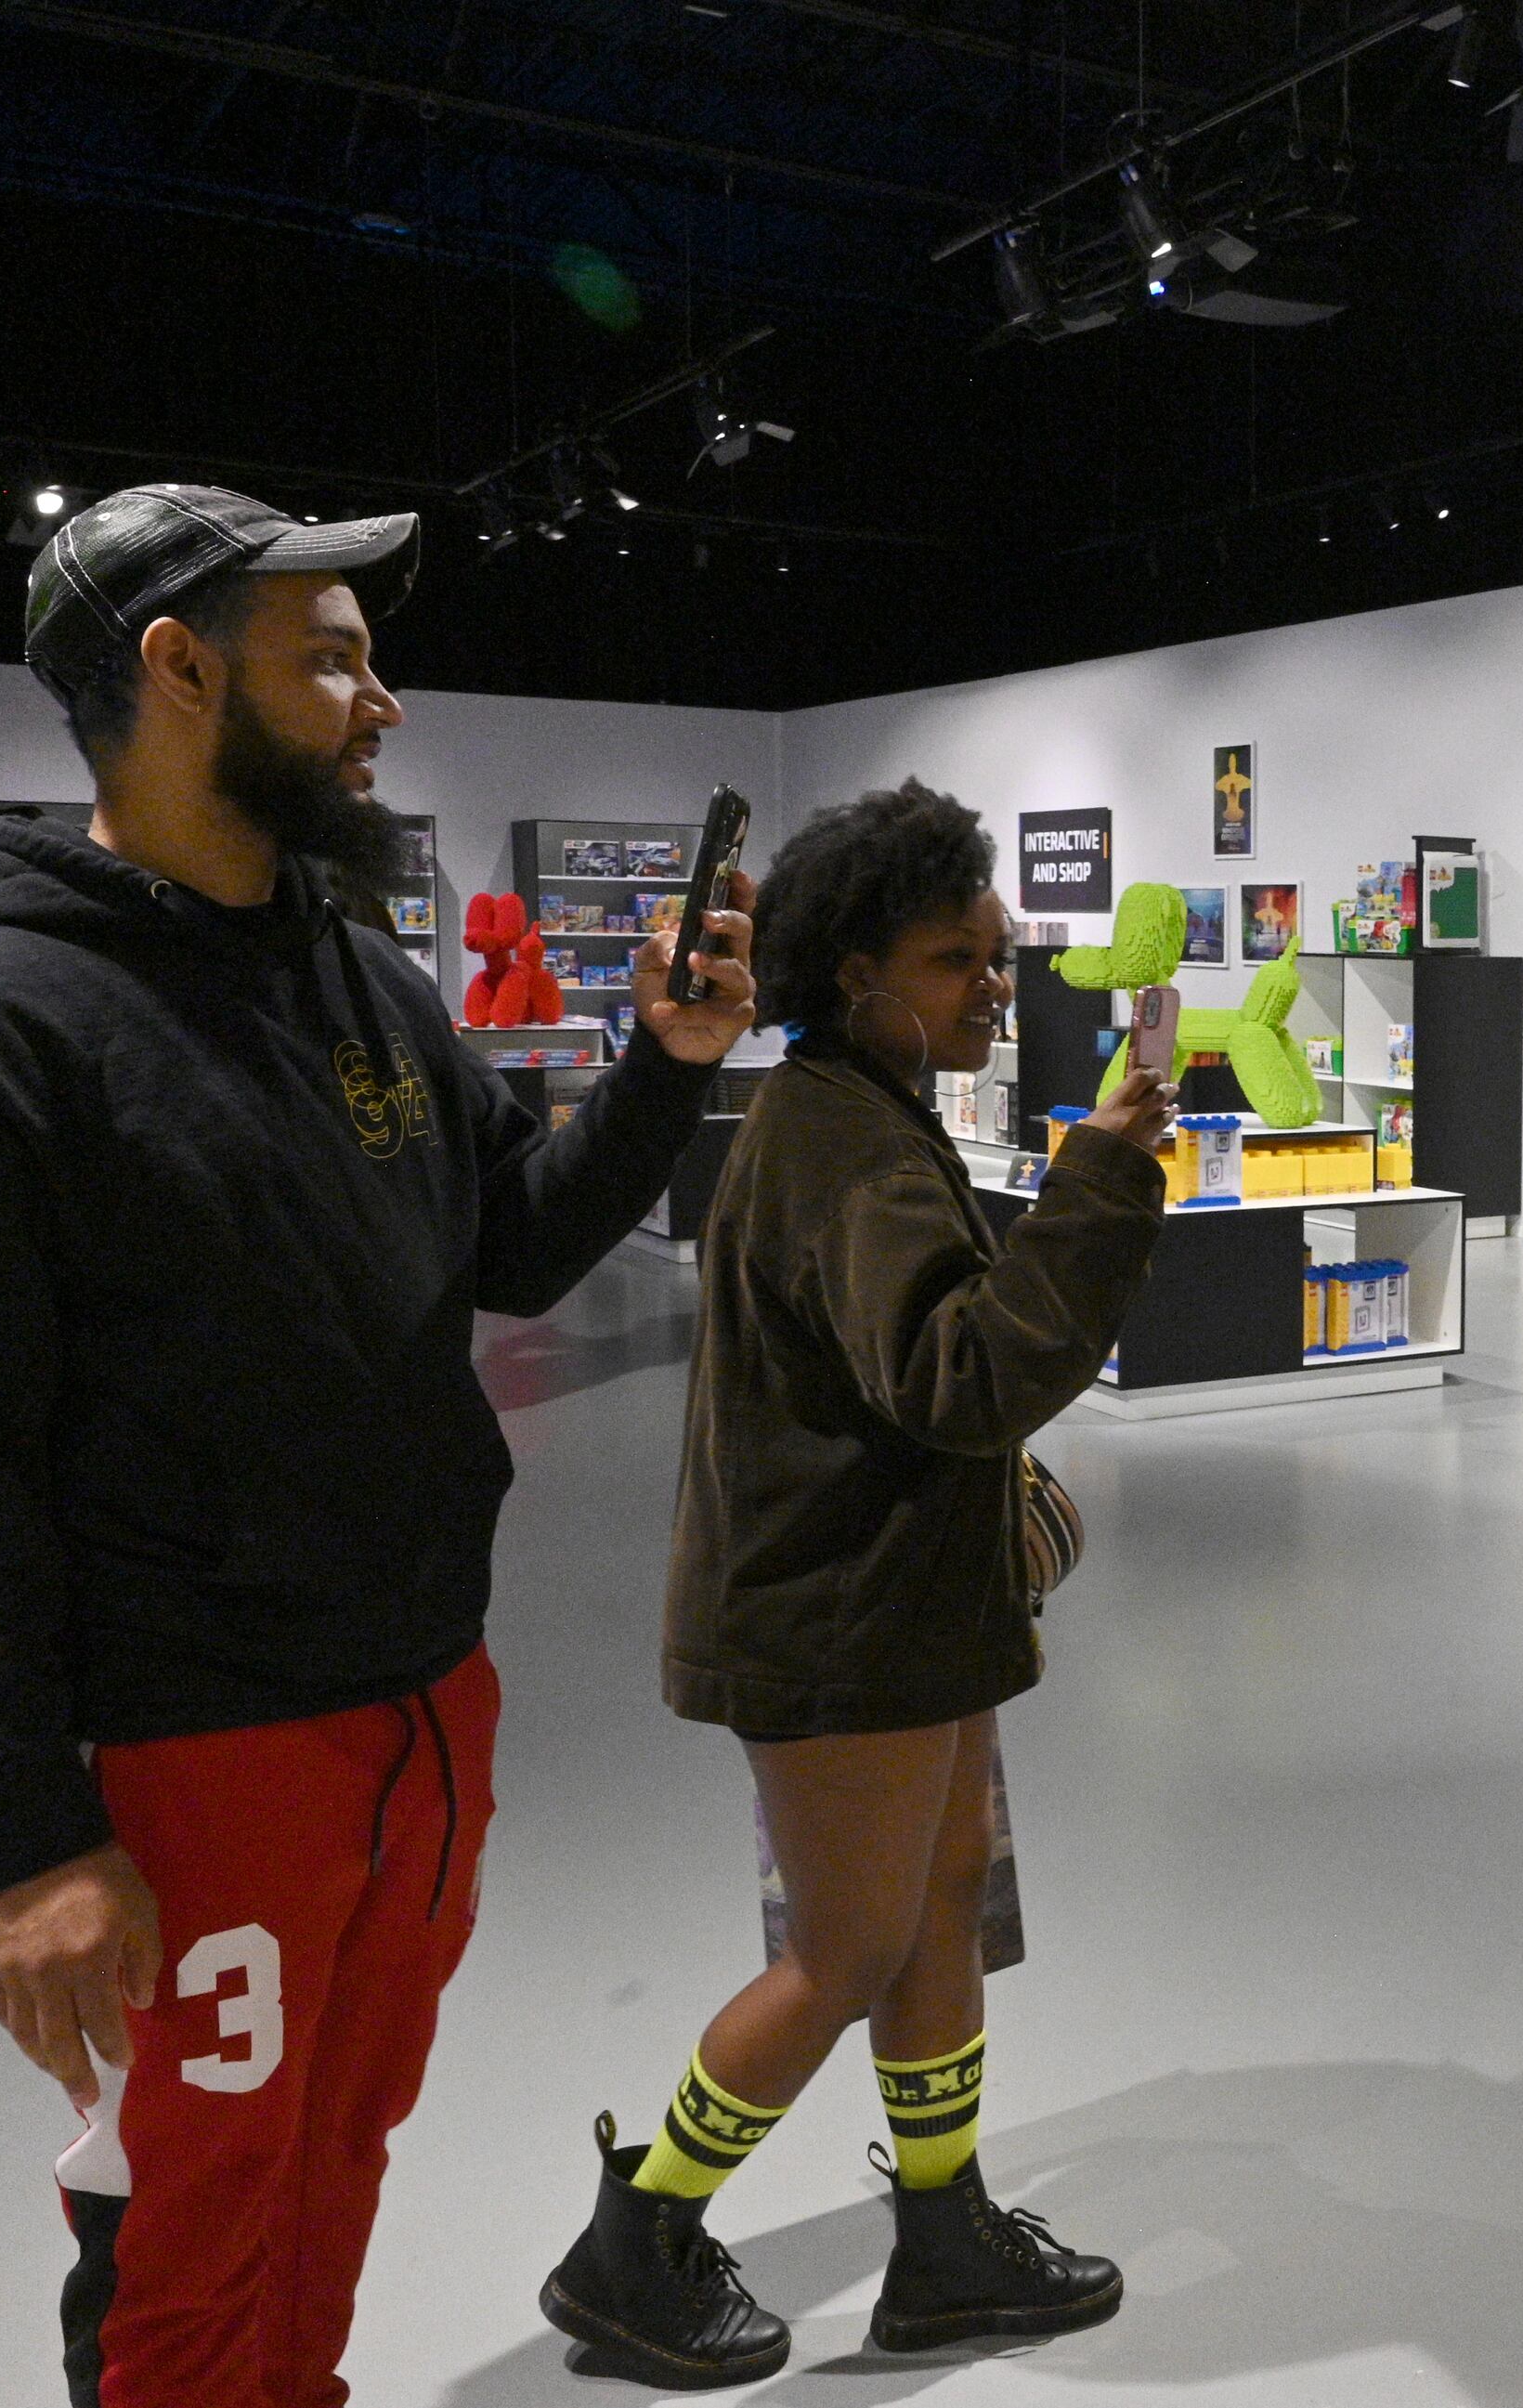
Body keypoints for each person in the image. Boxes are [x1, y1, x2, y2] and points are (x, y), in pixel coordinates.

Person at [0, 483, 760, 2407]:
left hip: (421, 1718)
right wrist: (28, 1846)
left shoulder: (351, 974)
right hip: (194, 1760)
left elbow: (510, 1234)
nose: (380, 701)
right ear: (175, 673)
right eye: (329, 657)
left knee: (336, 2169)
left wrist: (664, 1068)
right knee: (185, 2230)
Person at [540, 781, 1173, 2387]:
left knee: (940, 1898)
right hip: (836, 1620)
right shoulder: (845, 1142)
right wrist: (1099, 1183)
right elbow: (959, 1374)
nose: (996, 986)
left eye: (998, 955)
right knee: (841, 1950)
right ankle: (636, 2243)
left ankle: (944, 2235)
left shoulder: (860, 1110)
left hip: (900, 1605)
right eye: (961, 960)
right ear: (861, 975)